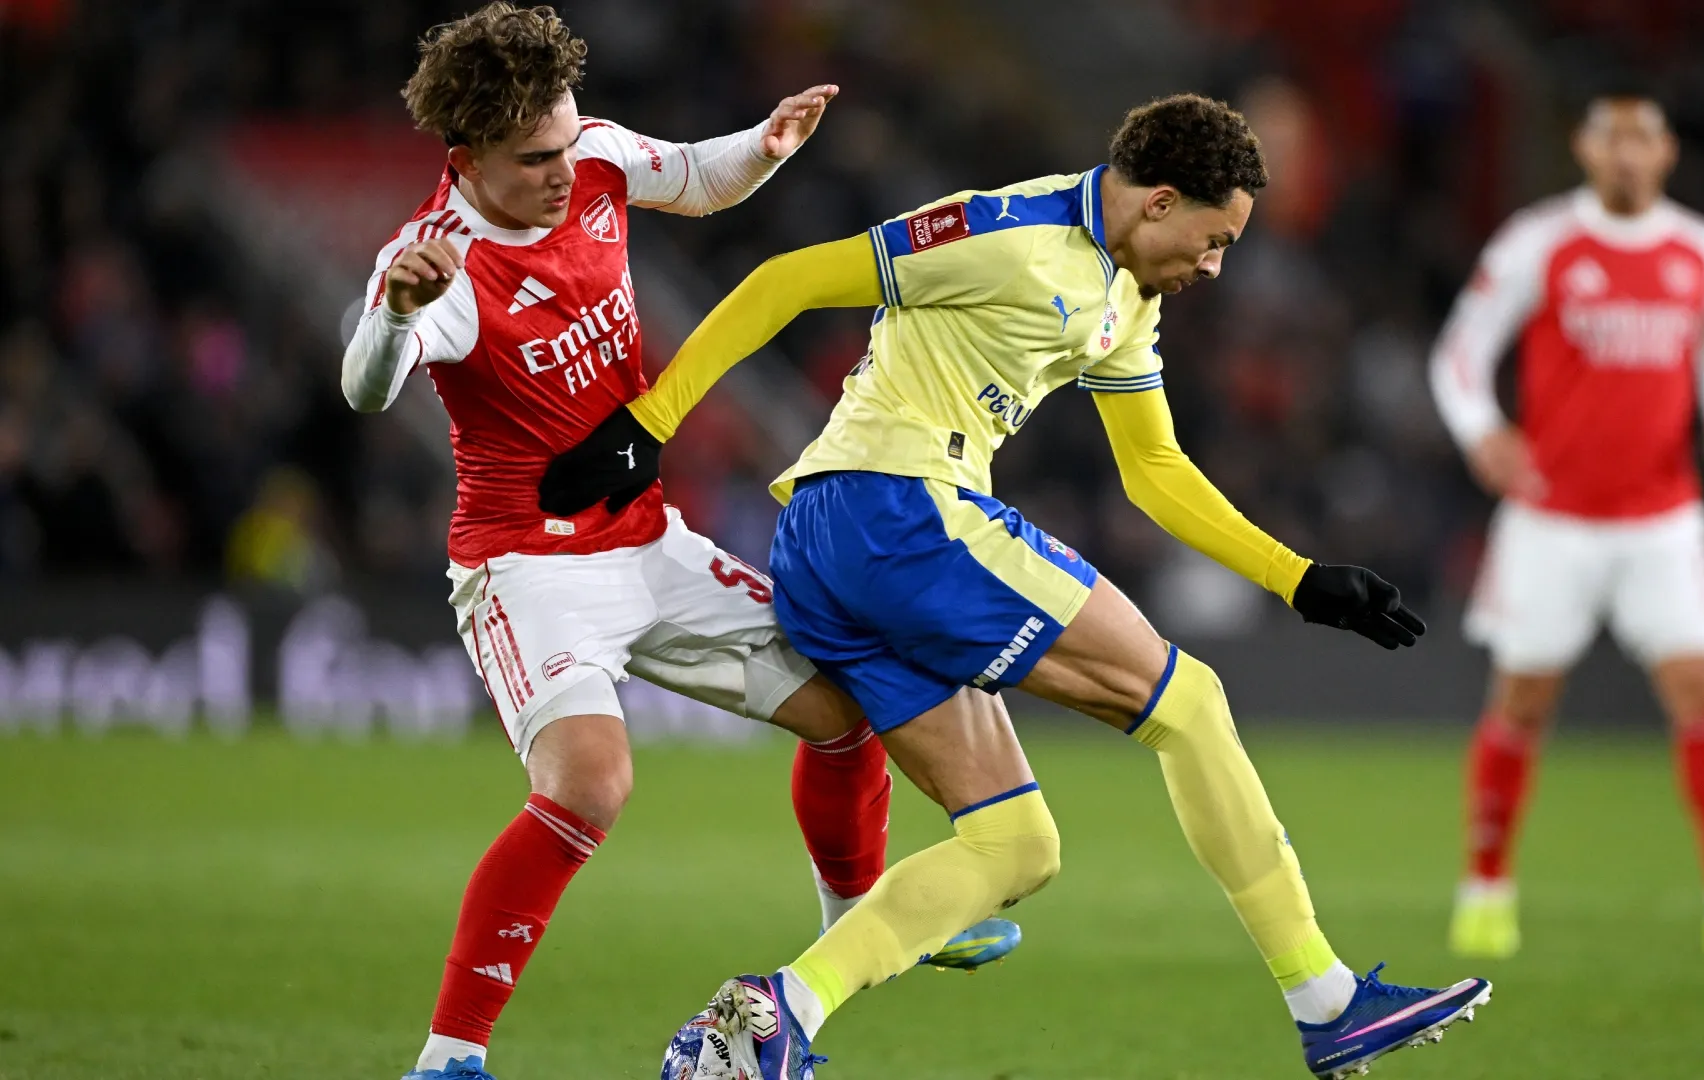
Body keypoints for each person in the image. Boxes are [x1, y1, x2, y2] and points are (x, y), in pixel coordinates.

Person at [541, 93, 1491, 1080]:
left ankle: (774, 1016)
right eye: (1215, 241)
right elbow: (789, 279)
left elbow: (1153, 469)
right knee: (1192, 704)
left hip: (841, 544)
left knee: (1014, 843)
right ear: (1161, 203)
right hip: (896, 510)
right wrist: (651, 423)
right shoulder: (1007, 233)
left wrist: (1296, 578)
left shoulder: (1129, 298)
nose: (1214, 267)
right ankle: (1326, 1002)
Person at [339, 7, 1014, 1079]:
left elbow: (697, 178)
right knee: (590, 784)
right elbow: (367, 387)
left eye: (567, 142)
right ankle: (448, 1058)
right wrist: (392, 316)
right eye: (534, 159)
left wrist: (765, 146)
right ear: (465, 160)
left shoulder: (597, 157)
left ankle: (858, 926)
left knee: (849, 702)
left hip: (647, 539)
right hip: (530, 569)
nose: (564, 171)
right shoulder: (437, 263)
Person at [1428, 85, 1704, 960]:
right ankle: (1485, 891)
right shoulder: (1540, 241)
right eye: (1611, 138)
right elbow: (1461, 349)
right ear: (1585, 149)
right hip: (1551, 519)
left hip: (1662, 519)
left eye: (1642, 138)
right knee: (1523, 701)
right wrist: (1482, 430)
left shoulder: (1703, 249)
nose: (1627, 153)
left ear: (1667, 151)